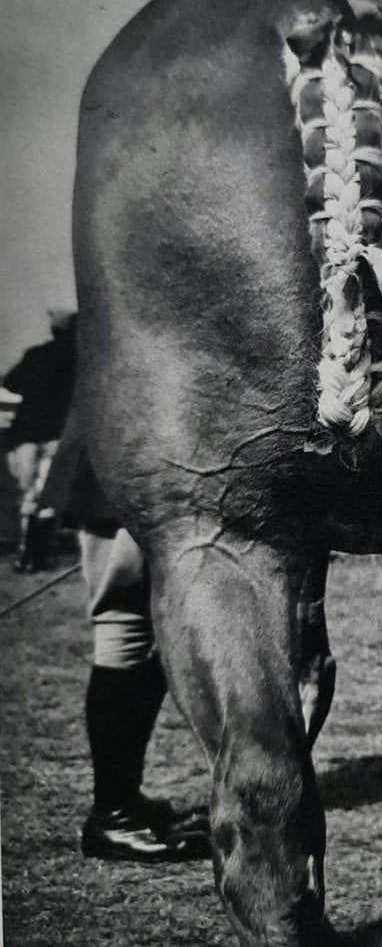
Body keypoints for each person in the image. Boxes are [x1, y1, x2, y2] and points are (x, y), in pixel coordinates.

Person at [40, 348, 209, 862]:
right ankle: (111, 816)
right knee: (124, 628)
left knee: (155, 637)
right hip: (118, 467)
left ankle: (124, 801)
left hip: (137, 464)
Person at [2, 310, 77, 571]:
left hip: (26, 435)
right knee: (48, 494)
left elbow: (11, 383)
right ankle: (42, 553)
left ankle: (25, 553)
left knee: (28, 493)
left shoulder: (35, 355)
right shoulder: (77, 359)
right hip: (57, 435)